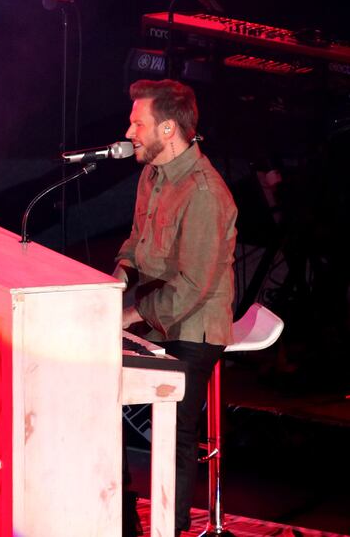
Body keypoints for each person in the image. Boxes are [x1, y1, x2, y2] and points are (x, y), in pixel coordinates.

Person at [114, 78, 238, 536]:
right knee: (103, 399)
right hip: (155, 316)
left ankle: (172, 527)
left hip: (194, 327)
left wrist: (130, 314)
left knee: (173, 431)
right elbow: (136, 242)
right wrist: (119, 279)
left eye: (137, 123)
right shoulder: (152, 174)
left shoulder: (204, 192)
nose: (130, 133)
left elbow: (192, 287)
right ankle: (122, 523)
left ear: (168, 129)